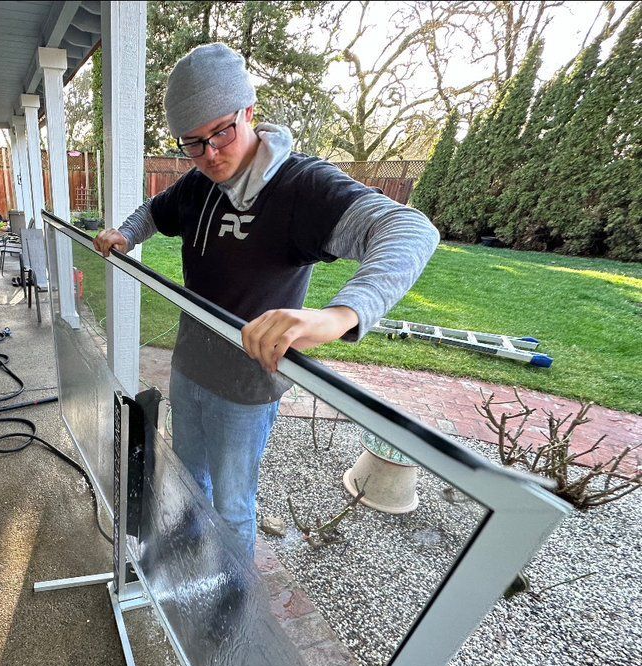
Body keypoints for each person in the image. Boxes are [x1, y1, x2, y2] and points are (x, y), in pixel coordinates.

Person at [94, 43, 439, 560]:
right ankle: (190, 551)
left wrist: (340, 313)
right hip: (189, 367)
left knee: (233, 504)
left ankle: (230, 600)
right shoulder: (195, 186)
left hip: (248, 387)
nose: (210, 153)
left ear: (249, 112)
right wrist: (125, 233)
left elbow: (409, 228)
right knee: (189, 481)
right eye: (193, 143)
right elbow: (154, 210)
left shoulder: (300, 186)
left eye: (222, 132)